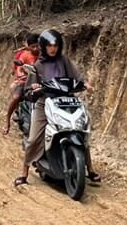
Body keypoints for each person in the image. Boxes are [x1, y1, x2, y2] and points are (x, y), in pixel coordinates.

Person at [14, 29, 100, 187]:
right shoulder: (39, 65)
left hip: (66, 100)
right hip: (44, 103)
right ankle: (24, 173)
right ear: (44, 47)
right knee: (33, 139)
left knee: (80, 131)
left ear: (59, 46)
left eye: (55, 45)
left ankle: (90, 169)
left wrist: (85, 83)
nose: (52, 49)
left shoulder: (64, 61)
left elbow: (77, 75)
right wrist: (33, 87)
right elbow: (28, 89)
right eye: (49, 46)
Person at [3, 32, 39, 135]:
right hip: (26, 81)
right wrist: (21, 75)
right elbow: (19, 68)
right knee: (16, 97)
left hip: (41, 82)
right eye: (33, 46)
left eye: (37, 46)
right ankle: (7, 121)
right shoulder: (24, 55)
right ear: (29, 46)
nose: (36, 49)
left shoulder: (44, 55)